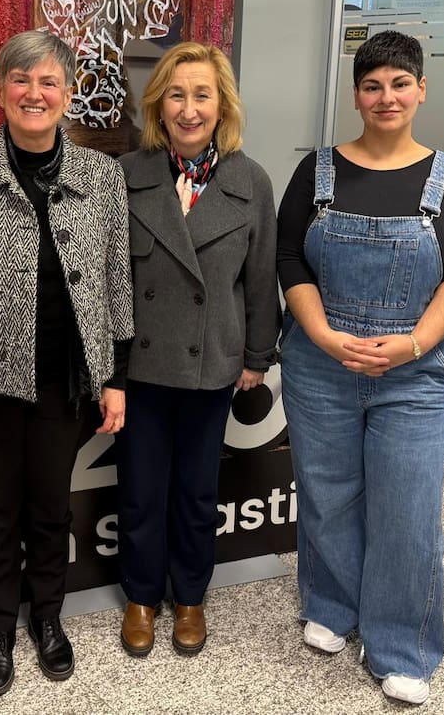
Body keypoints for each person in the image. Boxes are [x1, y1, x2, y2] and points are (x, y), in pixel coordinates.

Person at [0, 30, 135, 697]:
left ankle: (48, 618)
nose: (34, 93)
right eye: (21, 80)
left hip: (66, 383)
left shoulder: (101, 177)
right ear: (2, 91)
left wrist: (118, 378)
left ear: (68, 94)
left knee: (50, 508)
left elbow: (115, 281)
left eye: (48, 82)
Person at [276, 30, 444, 706]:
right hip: (321, 364)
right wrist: (324, 336)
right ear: (356, 94)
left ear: (421, 89)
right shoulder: (318, 170)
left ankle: (403, 645)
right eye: (372, 85)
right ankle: (332, 607)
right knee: (328, 492)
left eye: (400, 83)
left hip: (415, 372)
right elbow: (290, 262)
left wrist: (415, 343)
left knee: (407, 506)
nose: (386, 97)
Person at [114, 42, 280, 658]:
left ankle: (189, 596)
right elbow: (108, 278)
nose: (189, 109)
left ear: (222, 104)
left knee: (196, 491)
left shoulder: (249, 180)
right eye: (177, 95)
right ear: (158, 104)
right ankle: (139, 594)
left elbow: (261, 279)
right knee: (139, 486)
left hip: (213, 363)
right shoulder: (126, 175)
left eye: (202, 94)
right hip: (142, 365)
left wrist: (257, 357)